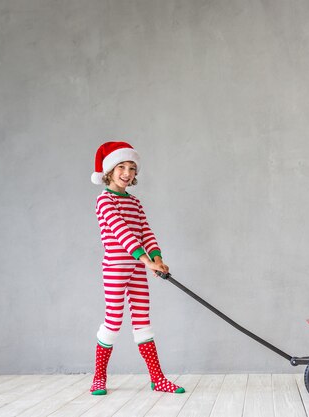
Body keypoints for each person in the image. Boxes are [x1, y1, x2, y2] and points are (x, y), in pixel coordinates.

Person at [89, 141, 184, 395]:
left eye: (132, 168)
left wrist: (157, 257)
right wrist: (147, 261)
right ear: (109, 170)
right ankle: (99, 378)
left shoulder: (135, 202)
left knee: (143, 322)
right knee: (113, 322)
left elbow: (145, 232)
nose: (127, 172)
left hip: (138, 268)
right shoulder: (105, 201)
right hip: (116, 269)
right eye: (121, 166)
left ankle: (158, 378)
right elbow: (123, 234)